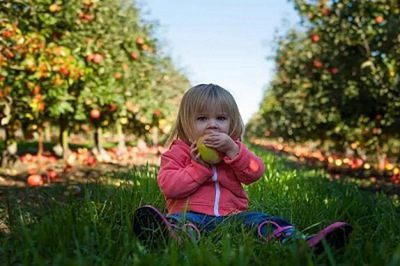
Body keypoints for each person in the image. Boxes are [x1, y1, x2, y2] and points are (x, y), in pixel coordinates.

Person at [132, 83, 352, 252]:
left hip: (233, 216)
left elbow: (255, 172)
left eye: (221, 118)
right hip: (191, 214)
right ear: (185, 123)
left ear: (232, 122)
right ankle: (168, 236)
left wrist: (234, 152)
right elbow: (170, 188)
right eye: (202, 118)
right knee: (182, 223)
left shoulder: (234, 150)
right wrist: (198, 168)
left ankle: (302, 243)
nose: (212, 124)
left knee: (263, 220)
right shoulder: (177, 153)